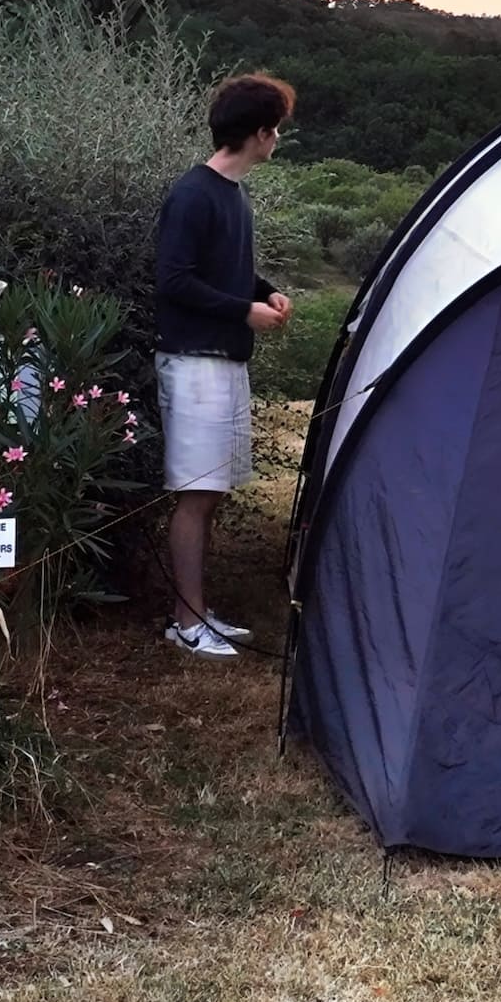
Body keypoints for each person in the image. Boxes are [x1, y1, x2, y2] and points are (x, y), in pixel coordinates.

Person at [152, 72, 295, 659]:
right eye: (276, 129)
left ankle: (196, 611)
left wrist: (265, 291)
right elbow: (174, 280)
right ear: (259, 133)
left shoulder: (232, 195)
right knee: (196, 494)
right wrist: (244, 311)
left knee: (210, 492)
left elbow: (224, 269)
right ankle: (186, 623)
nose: (277, 139)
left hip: (222, 362)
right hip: (194, 365)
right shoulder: (194, 194)